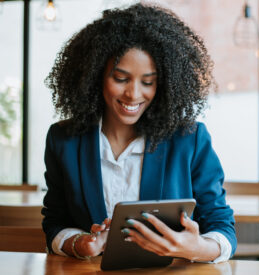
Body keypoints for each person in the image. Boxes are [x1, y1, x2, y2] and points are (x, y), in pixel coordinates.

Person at [42, 3, 236, 263]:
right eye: (121, 79)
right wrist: (79, 244)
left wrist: (198, 248)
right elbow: (55, 221)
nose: (133, 94)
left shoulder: (190, 139)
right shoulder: (63, 140)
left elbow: (222, 226)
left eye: (148, 82)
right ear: (95, 75)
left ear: (164, 83)